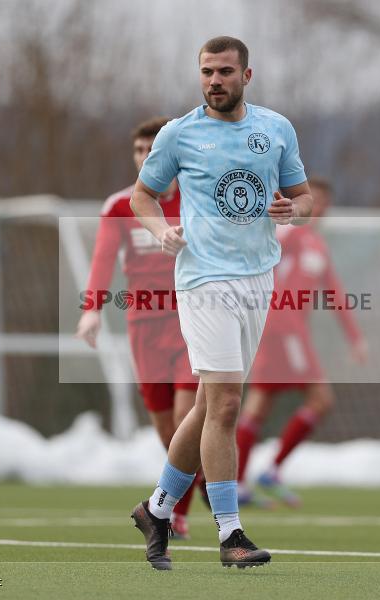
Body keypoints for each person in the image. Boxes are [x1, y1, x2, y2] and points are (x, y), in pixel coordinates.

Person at [128, 36, 313, 570]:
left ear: (246, 76)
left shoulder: (275, 129)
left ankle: (157, 508)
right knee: (228, 402)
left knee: (211, 403)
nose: (215, 80)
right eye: (207, 71)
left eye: (225, 71)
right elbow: (144, 193)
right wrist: (159, 229)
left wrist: (292, 210)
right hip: (203, 280)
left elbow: (301, 196)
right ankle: (231, 534)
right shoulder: (179, 134)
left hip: (258, 279)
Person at [76, 116, 200, 539]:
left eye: (153, 149)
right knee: (168, 432)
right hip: (144, 330)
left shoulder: (196, 199)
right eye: (139, 151)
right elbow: (103, 259)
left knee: (189, 417)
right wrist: (91, 308)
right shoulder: (119, 205)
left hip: (190, 323)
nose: (146, 157)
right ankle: (197, 479)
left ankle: (175, 513)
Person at [237, 176, 369, 508]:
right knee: (320, 398)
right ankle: (267, 472)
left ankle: (237, 482)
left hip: (285, 332)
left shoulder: (316, 246)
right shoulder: (290, 236)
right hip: (282, 330)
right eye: (314, 199)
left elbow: (335, 294)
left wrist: (355, 338)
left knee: (258, 406)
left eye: (324, 201)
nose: (319, 206)